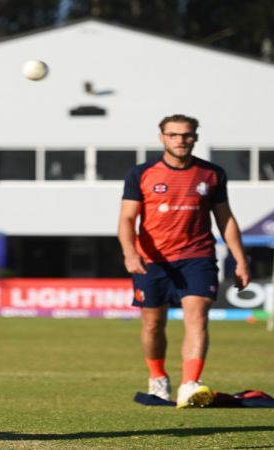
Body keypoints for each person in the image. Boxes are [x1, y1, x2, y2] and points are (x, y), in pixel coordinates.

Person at [118, 114, 250, 408]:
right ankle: (158, 377)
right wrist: (130, 252)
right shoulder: (141, 173)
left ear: (196, 137)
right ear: (162, 137)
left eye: (187, 135)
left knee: (197, 316)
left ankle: (190, 383)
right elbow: (127, 218)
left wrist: (240, 259)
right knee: (153, 324)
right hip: (152, 260)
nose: (180, 140)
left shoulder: (212, 174)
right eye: (174, 135)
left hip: (198, 256)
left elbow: (225, 219)